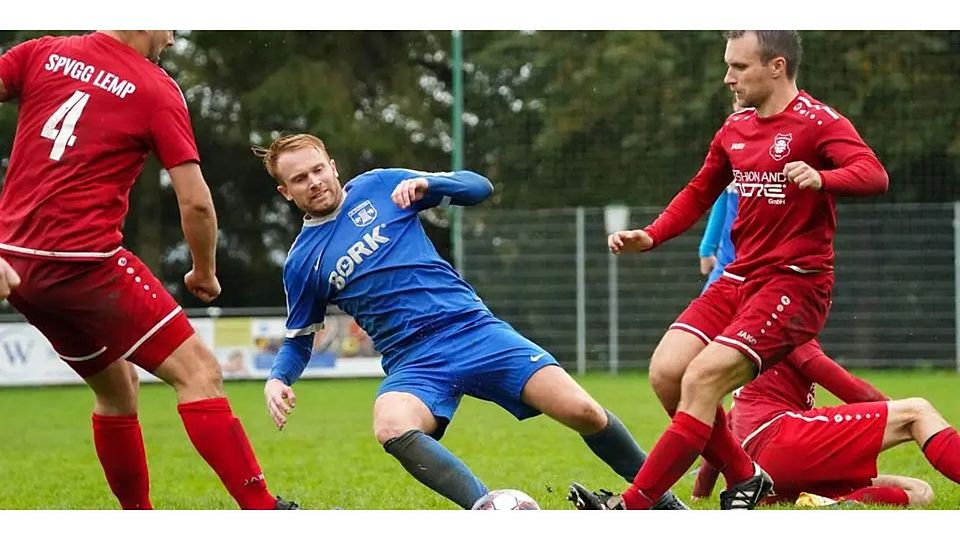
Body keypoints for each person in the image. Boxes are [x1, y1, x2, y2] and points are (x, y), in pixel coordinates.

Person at [253, 133, 687, 510]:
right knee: (390, 423)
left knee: (584, 410)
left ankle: (659, 499)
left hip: (473, 329)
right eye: (299, 179)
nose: (314, 182)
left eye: (317, 170)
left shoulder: (380, 185)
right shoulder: (301, 262)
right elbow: (299, 339)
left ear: (332, 165)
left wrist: (432, 183)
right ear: (285, 192)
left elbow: (479, 188)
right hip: (413, 361)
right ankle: (490, 508)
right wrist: (277, 378)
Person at [569, 30, 889, 510]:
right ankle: (745, 476)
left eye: (739, 67)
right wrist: (652, 234)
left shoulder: (819, 122)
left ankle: (632, 506)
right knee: (667, 373)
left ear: (776, 67)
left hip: (794, 284)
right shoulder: (735, 129)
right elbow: (700, 190)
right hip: (739, 277)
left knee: (701, 379)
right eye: (728, 65)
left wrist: (824, 177)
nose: (728, 78)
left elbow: (873, 173)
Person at [0, 31, 295, 509]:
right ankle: (264, 511)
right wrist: (204, 272)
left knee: (117, 390)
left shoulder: (40, 51)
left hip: (15, 269)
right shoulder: (154, 87)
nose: (173, 40)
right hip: (85, 265)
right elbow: (196, 202)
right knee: (200, 373)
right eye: (170, 26)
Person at [694, 340, 958, 507]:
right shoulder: (787, 326)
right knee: (917, 411)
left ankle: (834, 506)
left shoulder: (750, 350)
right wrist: (892, 409)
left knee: (919, 491)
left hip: (762, 482)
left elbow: (723, 429)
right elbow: (831, 375)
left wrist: (700, 494)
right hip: (782, 441)